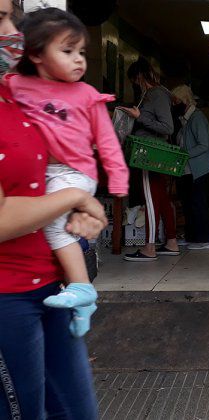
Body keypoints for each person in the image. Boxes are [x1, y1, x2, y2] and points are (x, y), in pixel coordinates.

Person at [0, 2, 107, 417]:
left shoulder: (23, 93)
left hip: (53, 288)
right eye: (0, 19)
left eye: (11, 16)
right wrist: (73, 199)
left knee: (77, 411)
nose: (12, 30)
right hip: (7, 299)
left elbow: (61, 168)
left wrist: (85, 211)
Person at [6, 7, 128, 334]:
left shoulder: (86, 95)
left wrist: (117, 183)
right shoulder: (17, 86)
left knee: (55, 229)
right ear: (36, 55)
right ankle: (79, 307)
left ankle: (83, 288)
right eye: (67, 51)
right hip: (45, 173)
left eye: (82, 52)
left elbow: (107, 141)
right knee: (64, 226)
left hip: (74, 173)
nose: (79, 60)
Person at [121, 57, 178, 261]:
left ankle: (149, 247)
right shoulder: (156, 94)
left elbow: (167, 127)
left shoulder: (155, 94)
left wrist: (139, 117)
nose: (135, 85)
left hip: (150, 154)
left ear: (139, 76)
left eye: (135, 80)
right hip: (152, 153)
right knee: (160, 197)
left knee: (151, 200)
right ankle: (171, 241)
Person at [171, 85, 209, 249]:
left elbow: (203, 145)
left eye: (176, 101)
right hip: (188, 169)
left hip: (199, 169)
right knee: (189, 204)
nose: (174, 105)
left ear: (185, 100)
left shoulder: (197, 118)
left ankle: (205, 239)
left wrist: (184, 154)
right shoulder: (185, 120)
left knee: (198, 204)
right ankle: (192, 236)